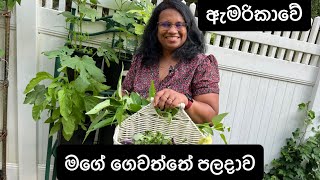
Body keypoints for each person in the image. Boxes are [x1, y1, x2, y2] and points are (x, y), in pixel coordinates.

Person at [122, 0, 220, 124]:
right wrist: (121, 98)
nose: (173, 30)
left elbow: (211, 119)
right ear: (155, 28)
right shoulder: (142, 60)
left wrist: (185, 101)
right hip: (134, 136)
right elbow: (125, 92)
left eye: (179, 24)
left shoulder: (201, 64)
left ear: (188, 28)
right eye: (165, 24)